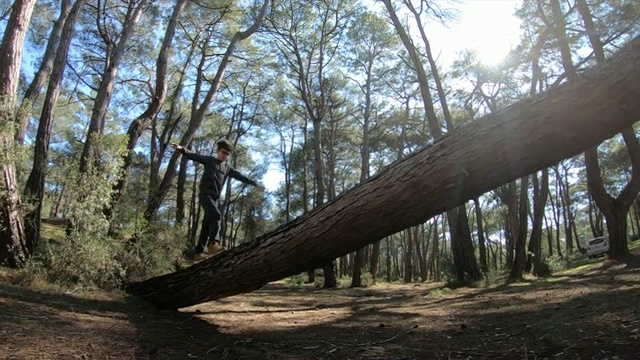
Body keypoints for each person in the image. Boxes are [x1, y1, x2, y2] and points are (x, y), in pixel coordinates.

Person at [171, 139, 264, 260]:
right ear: (218, 151)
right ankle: (213, 243)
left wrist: (254, 183)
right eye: (223, 152)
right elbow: (194, 156)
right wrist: (181, 149)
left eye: (227, 154)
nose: (224, 155)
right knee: (217, 215)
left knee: (206, 224)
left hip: (215, 198)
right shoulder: (209, 160)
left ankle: (198, 252)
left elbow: (240, 176)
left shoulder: (227, 168)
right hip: (205, 195)